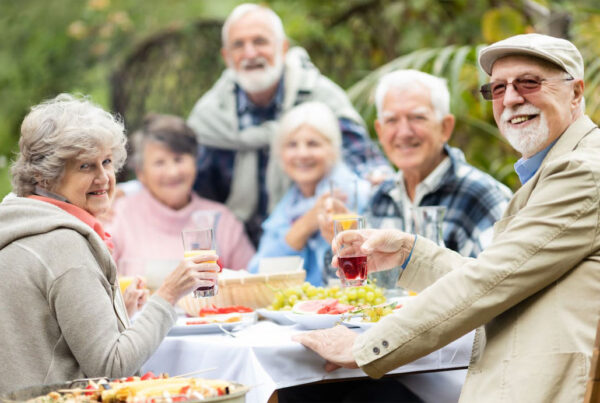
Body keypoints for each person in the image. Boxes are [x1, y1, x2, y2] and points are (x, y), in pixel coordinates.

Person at [295, 33, 599, 402]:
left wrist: (366, 347)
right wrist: (409, 253)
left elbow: (492, 281)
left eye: (529, 82)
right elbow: (504, 275)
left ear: (576, 93)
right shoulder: (554, 167)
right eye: (498, 88)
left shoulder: (583, 171)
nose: (512, 98)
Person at [0, 94, 219, 393]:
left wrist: (116, 313)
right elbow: (112, 367)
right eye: (85, 167)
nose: (104, 177)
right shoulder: (64, 244)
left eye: (106, 162)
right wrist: (169, 293)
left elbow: (45, 341)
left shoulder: (20, 224)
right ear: (44, 176)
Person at [187, 3, 389, 245]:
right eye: (238, 45)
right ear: (226, 57)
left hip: (311, 246)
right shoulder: (210, 115)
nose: (250, 53)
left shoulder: (321, 97)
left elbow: (364, 165)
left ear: (283, 48)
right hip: (234, 249)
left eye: (260, 41)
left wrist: (380, 179)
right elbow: (185, 186)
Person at [320, 69, 512, 258]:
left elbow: (500, 281)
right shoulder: (380, 198)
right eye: (392, 120)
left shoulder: (481, 196)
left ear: (445, 127)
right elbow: (354, 284)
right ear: (380, 131)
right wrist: (346, 243)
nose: (404, 132)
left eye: (417, 118)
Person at [106, 114, 254, 273]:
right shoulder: (117, 216)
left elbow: (253, 282)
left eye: (179, 159)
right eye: (159, 163)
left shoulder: (222, 221)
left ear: (196, 162)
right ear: (141, 173)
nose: (172, 172)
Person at [247, 102, 369, 286]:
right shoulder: (289, 204)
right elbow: (257, 274)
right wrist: (306, 225)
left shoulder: (357, 196)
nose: (302, 154)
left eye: (313, 144)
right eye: (292, 145)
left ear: (333, 150)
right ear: (280, 154)